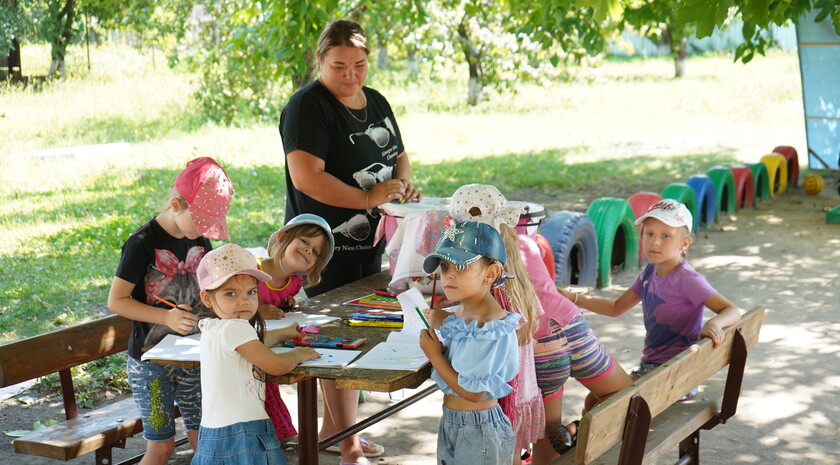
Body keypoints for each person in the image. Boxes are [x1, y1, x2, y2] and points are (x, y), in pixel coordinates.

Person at [279, 19, 420, 464]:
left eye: (359, 65)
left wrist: (402, 187)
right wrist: (365, 197)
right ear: (320, 61)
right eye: (339, 66)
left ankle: (335, 434)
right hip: (320, 249)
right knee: (336, 345)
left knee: (366, 336)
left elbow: (398, 155)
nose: (351, 75)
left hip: (370, 244)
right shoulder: (307, 106)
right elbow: (307, 177)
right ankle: (349, 445)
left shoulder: (375, 99)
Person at [445, 184, 633, 465]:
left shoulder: (474, 257)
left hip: (537, 349)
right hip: (571, 326)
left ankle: (562, 435)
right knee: (624, 394)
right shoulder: (525, 242)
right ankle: (576, 431)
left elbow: (476, 313)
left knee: (545, 444)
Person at [107, 157, 233, 465]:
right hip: (150, 362)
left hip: (194, 358)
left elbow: (210, 288)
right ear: (176, 205)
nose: (204, 230)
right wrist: (165, 317)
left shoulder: (199, 239)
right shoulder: (141, 243)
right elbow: (117, 301)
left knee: (206, 440)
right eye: (200, 220)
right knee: (161, 448)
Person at [559, 199, 741, 401]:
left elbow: (731, 310)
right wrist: (573, 297)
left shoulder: (688, 279)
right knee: (595, 397)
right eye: (650, 234)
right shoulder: (649, 273)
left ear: (684, 243)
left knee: (606, 401)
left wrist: (714, 323)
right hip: (651, 367)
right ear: (641, 235)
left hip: (678, 375)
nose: (655, 242)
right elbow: (615, 307)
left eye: (666, 236)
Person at [191, 243, 320, 465]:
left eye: (251, 292)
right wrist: (298, 354)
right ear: (207, 298)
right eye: (230, 293)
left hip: (215, 434)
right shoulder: (235, 328)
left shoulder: (213, 327)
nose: (244, 301)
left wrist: (282, 334)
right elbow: (276, 366)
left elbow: (251, 345)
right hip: (244, 433)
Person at [419, 221, 520, 465]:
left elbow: (474, 393)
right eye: (444, 266)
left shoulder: (488, 325)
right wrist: (445, 351)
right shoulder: (465, 313)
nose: (449, 275)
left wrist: (435, 356)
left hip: (478, 430)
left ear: (491, 273)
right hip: (455, 421)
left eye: (461, 266)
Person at [256, 213, 335, 442]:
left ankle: (270, 445)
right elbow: (232, 302)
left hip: (272, 346)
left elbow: (277, 306)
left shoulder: (294, 284)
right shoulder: (253, 269)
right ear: (282, 237)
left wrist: (284, 303)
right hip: (247, 348)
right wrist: (258, 308)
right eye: (305, 241)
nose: (309, 250)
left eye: (316, 251)